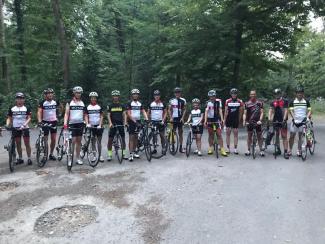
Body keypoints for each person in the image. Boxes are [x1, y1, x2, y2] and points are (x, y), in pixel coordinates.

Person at [6, 92, 32, 165]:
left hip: (25, 128)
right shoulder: (12, 109)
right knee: (18, 144)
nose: (20, 100)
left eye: (21, 98)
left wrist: (24, 125)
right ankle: (20, 158)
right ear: (16, 100)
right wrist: (7, 124)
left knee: (27, 144)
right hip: (16, 128)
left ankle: (29, 158)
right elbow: (9, 119)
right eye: (18, 99)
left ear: (24, 100)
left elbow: (29, 118)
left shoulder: (26, 108)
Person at [63, 86, 86, 165]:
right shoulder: (69, 102)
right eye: (77, 93)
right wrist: (65, 123)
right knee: (72, 141)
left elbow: (84, 114)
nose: (78, 94)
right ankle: (70, 156)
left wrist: (85, 122)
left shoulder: (82, 103)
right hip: (72, 124)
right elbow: (66, 114)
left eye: (79, 93)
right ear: (74, 93)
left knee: (79, 141)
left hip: (80, 124)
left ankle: (78, 158)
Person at [37, 88, 60, 161]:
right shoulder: (42, 102)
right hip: (45, 121)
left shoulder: (55, 102)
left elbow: (61, 107)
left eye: (51, 93)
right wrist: (39, 121)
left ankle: (51, 154)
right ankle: (45, 155)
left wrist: (58, 115)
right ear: (45, 95)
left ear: (53, 94)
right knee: (45, 139)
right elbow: (39, 112)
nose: (50, 94)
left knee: (53, 139)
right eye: (48, 93)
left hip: (53, 122)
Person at [288, 86, 312, 157]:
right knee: (292, 136)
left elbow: (310, 110)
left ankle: (299, 150)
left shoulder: (306, 101)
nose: (299, 94)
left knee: (301, 136)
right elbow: (291, 110)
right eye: (298, 93)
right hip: (295, 121)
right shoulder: (292, 101)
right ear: (296, 94)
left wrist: (307, 117)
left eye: (301, 93)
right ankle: (290, 150)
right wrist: (294, 118)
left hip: (303, 121)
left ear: (303, 93)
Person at [126, 89, 148, 161]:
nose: (135, 95)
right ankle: (131, 153)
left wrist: (146, 118)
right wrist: (134, 121)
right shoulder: (129, 103)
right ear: (132, 95)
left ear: (138, 95)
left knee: (136, 137)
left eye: (136, 94)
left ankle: (135, 151)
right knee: (131, 137)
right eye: (134, 94)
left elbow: (143, 111)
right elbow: (128, 114)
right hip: (131, 121)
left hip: (138, 121)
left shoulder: (139, 103)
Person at [204, 90, 228, 157]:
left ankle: (222, 149)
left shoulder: (218, 101)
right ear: (209, 97)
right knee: (210, 134)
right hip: (210, 119)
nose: (212, 98)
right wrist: (205, 120)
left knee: (219, 134)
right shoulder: (207, 102)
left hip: (216, 119)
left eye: (213, 96)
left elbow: (220, 110)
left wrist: (222, 119)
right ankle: (211, 147)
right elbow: (206, 111)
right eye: (210, 96)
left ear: (215, 96)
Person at [268, 88, 290, 159]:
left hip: (282, 120)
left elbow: (286, 110)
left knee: (284, 136)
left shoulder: (285, 101)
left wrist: (284, 119)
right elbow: (270, 110)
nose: (277, 95)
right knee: (276, 135)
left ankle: (286, 152)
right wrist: (269, 118)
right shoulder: (273, 101)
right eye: (275, 94)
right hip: (275, 120)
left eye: (278, 93)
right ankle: (278, 150)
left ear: (280, 94)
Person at [107, 90, 127, 161]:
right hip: (113, 124)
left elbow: (124, 114)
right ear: (112, 97)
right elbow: (108, 115)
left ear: (119, 97)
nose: (115, 97)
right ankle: (109, 154)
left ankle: (124, 154)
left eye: (117, 96)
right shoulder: (110, 105)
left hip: (120, 123)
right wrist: (110, 123)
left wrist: (125, 123)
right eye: (114, 96)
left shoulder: (122, 105)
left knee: (123, 139)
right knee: (110, 140)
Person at [243, 90, 265, 157]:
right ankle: (248, 150)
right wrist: (244, 121)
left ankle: (261, 150)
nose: (253, 95)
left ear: (256, 95)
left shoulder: (260, 103)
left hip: (257, 121)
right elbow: (244, 113)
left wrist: (260, 120)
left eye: (254, 94)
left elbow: (262, 112)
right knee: (249, 135)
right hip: (250, 122)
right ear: (250, 95)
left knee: (259, 136)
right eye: (251, 94)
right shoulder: (247, 103)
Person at [85, 92, 104, 162]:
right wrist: (87, 123)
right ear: (90, 98)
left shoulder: (99, 106)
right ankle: (95, 156)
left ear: (96, 98)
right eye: (92, 98)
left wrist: (100, 124)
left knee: (99, 141)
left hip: (98, 126)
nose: (93, 99)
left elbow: (101, 116)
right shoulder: (88, 107)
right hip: (91, 126)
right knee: (93, 141)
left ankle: (100, 155)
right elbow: (86, 116)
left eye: (94, 98)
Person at [224, 88, 244, 154]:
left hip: (235, 119)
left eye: (235, 93)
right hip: (229, 119)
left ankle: (235, 149)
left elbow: (241, 112)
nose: (234, 95)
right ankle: (228, 148)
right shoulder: (227, 101)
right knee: (228, 134)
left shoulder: (240, 101)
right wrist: (224, 121)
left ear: (237, 94)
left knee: (235, 134)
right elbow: (226, 112)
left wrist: (239, 120)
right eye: (232, 93)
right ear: (231, 94)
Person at [147, 90, 167, 154]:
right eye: (155, 95)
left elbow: (165, 112)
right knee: (154, 136)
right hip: (153, 121)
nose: (157, 96)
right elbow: (148, 112)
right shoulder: (151, 103)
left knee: (162, 136)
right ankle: (154, 149)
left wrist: (163, 120)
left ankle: (163, 148)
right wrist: (148, 121)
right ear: (154, 96)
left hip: (161, 121)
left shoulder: (163, 103)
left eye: (158, 95)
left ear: (160, 96)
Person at [168, 87, 186, 153]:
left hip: (180, 118)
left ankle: (181, 147)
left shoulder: (183, 100)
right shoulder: (172, 100)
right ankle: (172, 146)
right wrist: (171, 117)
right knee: (173, 132)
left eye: (178, 92)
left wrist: (183, 118)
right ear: (174, 93)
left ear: (180, 93)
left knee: (180, 133)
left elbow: (184, 109)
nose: (177, 93)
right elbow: (169, 110)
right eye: (176, 92)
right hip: (174, 118)